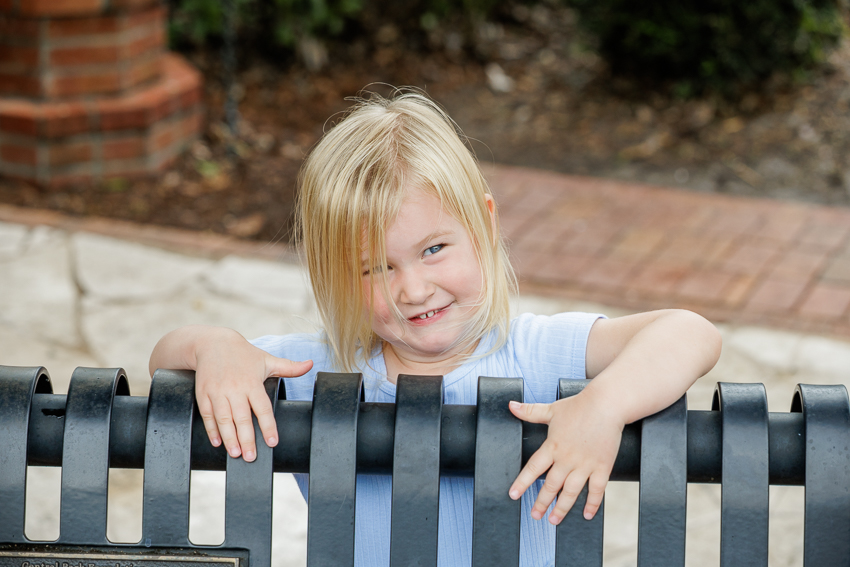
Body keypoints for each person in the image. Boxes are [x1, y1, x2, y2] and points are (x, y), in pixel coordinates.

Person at [149, 89, 721, 566]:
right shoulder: (316, 370)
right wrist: (218, 347)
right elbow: (165, 363)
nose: (414, 289)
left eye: (434, 249)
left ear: (484, 224)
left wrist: (603, 406)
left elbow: (690, 332)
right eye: (375, 268)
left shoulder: (536, 354)